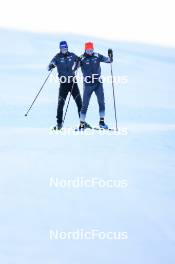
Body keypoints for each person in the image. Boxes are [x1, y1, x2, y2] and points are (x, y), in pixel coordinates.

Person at [74, 42, 113, 130]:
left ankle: (102, 122)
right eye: (88, 50)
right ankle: (82, 124)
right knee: (85, 105)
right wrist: (76, 63)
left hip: (98, 83)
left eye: (91, 49)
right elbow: (74, 68)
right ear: (85, 49)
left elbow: (109, 60)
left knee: (101, 102)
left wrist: (110, 56)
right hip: (88, 85)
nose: (90, 51)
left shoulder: (97, 56)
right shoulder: (82, 58)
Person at [48, 41, 85, 130]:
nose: (64, 50)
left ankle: (82, 123)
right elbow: (48, 66)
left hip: (72, 83)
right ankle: (59, 124)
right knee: (61, 104)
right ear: (60, 49)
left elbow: (79, 61)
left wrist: (78, 64)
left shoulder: (72, 55)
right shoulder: (57, 57)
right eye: (62, 48)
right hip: (63, 84)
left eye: (65, 48)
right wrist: (51, 65)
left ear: (67, 48)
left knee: (79, 102)